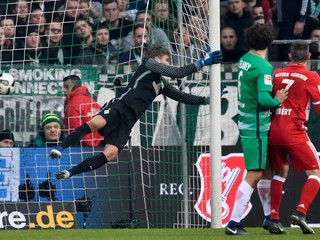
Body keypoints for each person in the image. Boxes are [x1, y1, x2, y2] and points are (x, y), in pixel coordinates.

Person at [49, 44, 223, 180]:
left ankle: (70, 173)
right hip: (119, 107)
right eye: (167, 59)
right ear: (157, 58)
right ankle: (60, 148)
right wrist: (202, 62)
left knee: (110, 154)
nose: (168, 63)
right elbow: (177, 72)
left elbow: (183, 97)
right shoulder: (149, 64)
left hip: (128, 121)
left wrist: (207, 100)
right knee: (95, 123)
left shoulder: (161, 84)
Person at [224, 23, 288, 235]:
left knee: (267, 170)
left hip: (245, 118)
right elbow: (263, 98)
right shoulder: (263, 67)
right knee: (255, 173)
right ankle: (233, 223)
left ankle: (268, 217)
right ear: (269, 42)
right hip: (257, 125)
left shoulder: (244, 59)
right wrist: (276, 100)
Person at [268, 40, 320, 235]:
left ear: (289, 56)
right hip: (295, 132)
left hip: (273, 131)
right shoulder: (311, 76)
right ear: (309, 57)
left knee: (280, 172)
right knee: (316, 173)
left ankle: (274, 219)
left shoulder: (276, 73)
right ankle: (300, 212)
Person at [62, 75, 103, 147]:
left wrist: (88, 144)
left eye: (66, 87)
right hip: (100, 145)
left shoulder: (73, 103)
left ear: (74, 86)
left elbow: (75, 130)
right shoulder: (93, 102)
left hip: (83, 147)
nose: (64, 90)